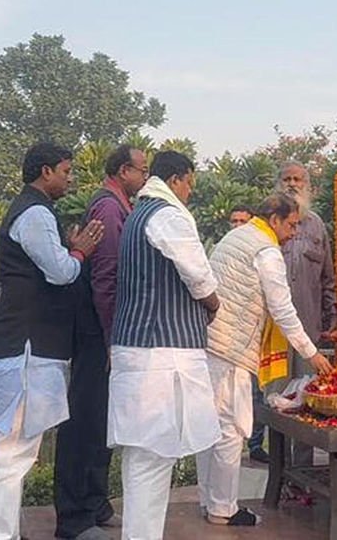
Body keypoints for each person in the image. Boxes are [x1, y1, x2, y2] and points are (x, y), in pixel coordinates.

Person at [0, 143, 104, 540]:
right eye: (66, 171)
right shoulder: (33, 212)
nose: (70, 178)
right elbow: (61, 272)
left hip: (27, 344)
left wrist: (69, 248)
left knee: (18, 450)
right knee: (12, 450)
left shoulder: (35, 211)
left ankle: (5, 531)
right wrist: (80, 251)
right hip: (26, 346)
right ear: (45, 172)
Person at [198, 194, 334, 526]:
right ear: (274, 219)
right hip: (230, 348)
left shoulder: (238, 235)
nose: (293, 232)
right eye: (290, 225)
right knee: (232, 428)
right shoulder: (266, 250)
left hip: (212, 342)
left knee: (211, 426)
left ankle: (209, 499)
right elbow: (283, 310)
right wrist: (312, 353)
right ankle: (223, 508)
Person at [107, 151, 221, 540]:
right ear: (176, 179)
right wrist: (214, 303)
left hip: (142, 350)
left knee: (145, 460)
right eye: (190, 182)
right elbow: (198, 275)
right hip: (160, 354)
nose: (190, 191)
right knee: (152, 460)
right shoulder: (167, 214)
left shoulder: (140, 212)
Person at [54, 144, 147, 540]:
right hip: (97, 330)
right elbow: (106, 278)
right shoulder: (109, 209)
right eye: (142, 170)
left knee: (102, 421)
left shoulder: (120, 206)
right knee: (85, 420)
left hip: (104, 329)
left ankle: (94, 502)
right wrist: (111, 338)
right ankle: (73, 517)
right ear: (124, 170)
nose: (145, 177)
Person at [276, 162, 337, 467]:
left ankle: (301, 475)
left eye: (297, 179)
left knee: (305, 398)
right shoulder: (266, 225)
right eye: (286, 179)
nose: (292, 184)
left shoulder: (317, 226)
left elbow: (328, 279)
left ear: (308, 185)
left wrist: (333, 320)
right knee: (275, 400)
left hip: (308, 329)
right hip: (272, 332)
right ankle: (279, 473)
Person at [227, 204, 268, 463]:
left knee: (257, 392)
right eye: (234, 221)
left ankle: (255, 444)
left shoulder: (262, 253)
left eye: (244, 221)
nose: (238, 225)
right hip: (227, 339)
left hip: (256, 335)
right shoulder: (223, 251)